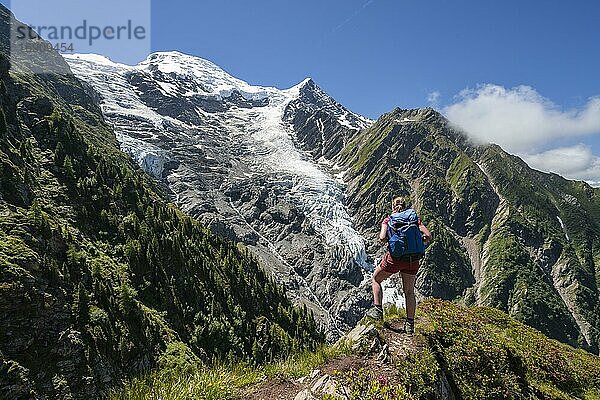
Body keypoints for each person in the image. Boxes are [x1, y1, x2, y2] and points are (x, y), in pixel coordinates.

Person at [366, 196, 431, 334]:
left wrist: (394, 241)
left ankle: (377, 311)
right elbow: (428, 235)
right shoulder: (413, 218)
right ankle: (410, 325)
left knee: (376, 279)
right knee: (409, 292)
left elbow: (382, 238)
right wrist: (420, 242)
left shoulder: (389, 220)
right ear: (405, 205)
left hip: (395, 259)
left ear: (393, 206)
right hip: (413, 259)